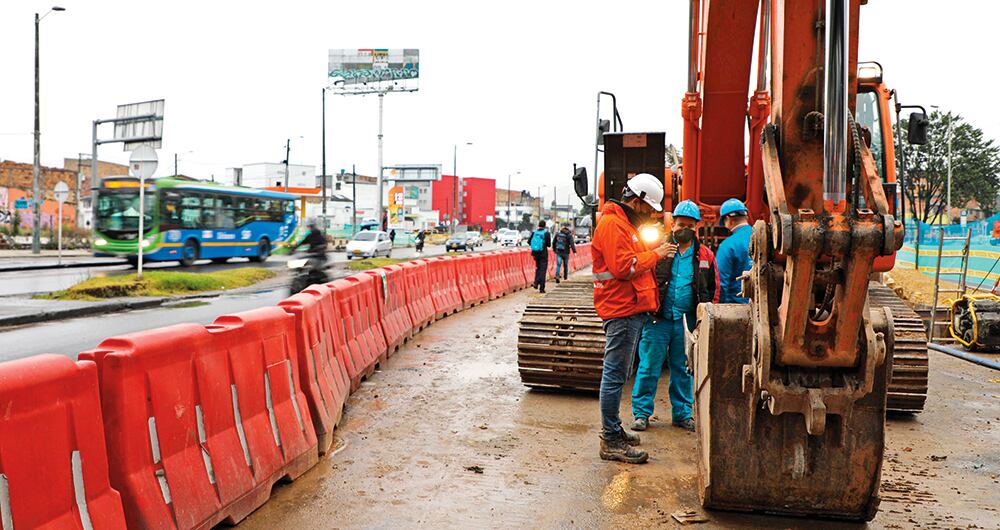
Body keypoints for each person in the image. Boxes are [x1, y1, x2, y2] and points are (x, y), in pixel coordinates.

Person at [592, 173, 674, 464]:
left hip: (629, 307)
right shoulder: (614, 225)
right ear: (637, 200)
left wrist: (651, 252)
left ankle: (614, 430)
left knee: (618, 374)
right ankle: (611, 439)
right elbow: (625, 267)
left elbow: (632, 259)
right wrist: (657, 254)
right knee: (614, 375)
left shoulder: (624, 225)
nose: (650, 214)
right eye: (649, 208)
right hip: (621, 309)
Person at [630, 200, 719, 433]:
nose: (684, 229)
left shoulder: (705, 255)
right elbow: (640, 274)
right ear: (672, 225)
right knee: (649, 366)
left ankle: (682, 413)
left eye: (689, 225)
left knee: (683, 368)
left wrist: (705, 318)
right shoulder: (658, 250)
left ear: (697, 227)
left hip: (687, 322)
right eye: (680, 224)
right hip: (658, 319)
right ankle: (641, 414)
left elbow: (713, 288)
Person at [716, 198, 753, 304]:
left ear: (727, 219)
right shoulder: (764, 239)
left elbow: (721, 284)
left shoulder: (728, 246)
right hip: (763, 308)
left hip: (736, 308)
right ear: (746, 216)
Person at [529, 221, 552, 293]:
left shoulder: (534, 232)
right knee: (543, 270)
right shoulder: (546, 233)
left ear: (538, 225)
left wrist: (536, 246)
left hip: (535, 254)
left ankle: (536, 282)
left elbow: (529, 241)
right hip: (543, 253)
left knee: (538, 268)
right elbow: (548, 245)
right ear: (545, 226)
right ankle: (542, 288)